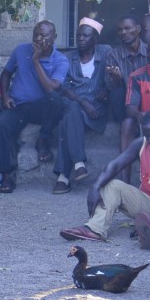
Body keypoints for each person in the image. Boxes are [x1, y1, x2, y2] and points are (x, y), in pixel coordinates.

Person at [59, 110, 150, 250]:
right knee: (112, 185)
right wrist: (95, 187)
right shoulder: (142, 144)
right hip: (147, 202)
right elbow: (115, 165)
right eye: (147, 135)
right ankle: (95, 229)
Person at [0, 21, 69, 193]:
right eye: (36, 35)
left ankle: (43, 139)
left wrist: (36, 61)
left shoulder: (60, 60)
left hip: (42, 108)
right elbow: (6, 74)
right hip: (18, 105)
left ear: (54, 37)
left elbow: (51, 88)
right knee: (1, 124)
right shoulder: (21, 50)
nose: (39, 39)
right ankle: (7, 175)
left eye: (44, 36)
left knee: (55, 99)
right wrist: (5, 96)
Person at [52, 18, 112, 194]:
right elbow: (63, 88)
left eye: (86, 36)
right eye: (78, 35)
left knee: (66, 121)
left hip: (96, 110)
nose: (81, 39)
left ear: (96, 39)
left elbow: (111, 80)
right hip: (77, 104)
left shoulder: (106, 52)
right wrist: (83, 102)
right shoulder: (68, 58)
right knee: (71, 110)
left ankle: (64, 176)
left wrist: (107, 92)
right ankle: (78, 164)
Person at [105, 14, 148, 127]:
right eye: (120, 30)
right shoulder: (113, 55)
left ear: (138, 29)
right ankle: (125, 125)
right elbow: (110, 87)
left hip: (148, 93)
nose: (123, 32)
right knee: (116, 93)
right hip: (126, 100)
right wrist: (116, 79)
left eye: (127, 28)